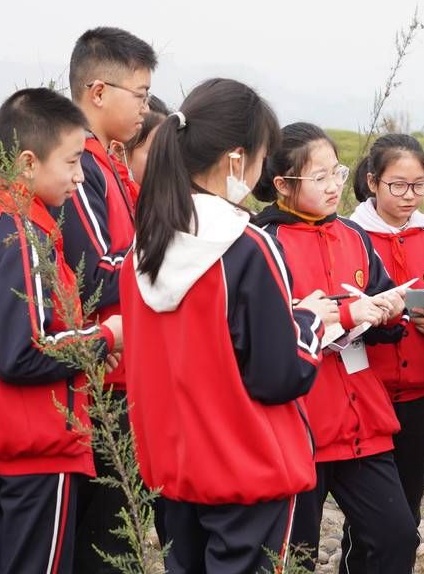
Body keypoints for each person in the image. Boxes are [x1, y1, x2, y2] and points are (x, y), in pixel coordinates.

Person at [121, 78, 326, 573]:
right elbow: (280, 375)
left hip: (174, 469)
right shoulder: (246, 245)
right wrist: (312, 321)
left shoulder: (143, 247)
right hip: (244, 468)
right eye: (261, 158)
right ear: (237, 159)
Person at [0, 87, 122, 574]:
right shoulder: (22, 234)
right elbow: (24, 350)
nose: (79, 174)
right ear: (28, 162)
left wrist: (85, 343)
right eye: (70, 162)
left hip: (8, 442)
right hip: (38, 446)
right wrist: (106, 337)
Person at [253, 122, 419, 573]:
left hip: (361, 419)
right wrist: (345, 315)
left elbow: (380, 310)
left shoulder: (353, 236)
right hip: (299, 421)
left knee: (397, 537)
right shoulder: (261, 243)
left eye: (337, 173)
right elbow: (258, 334)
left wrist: (389, 311)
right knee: (296, 554)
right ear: (283, 184)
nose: (333, 187)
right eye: (319, 177)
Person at [340, 133, 424, 573]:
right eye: (398, 185)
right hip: (362, 399)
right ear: (372, 182)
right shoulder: (350, 238)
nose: (409, 196)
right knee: (368, 521)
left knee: (405, 515)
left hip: (419, 402)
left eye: (419, 185)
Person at [63, 26, 159, 568]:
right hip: (103, 374)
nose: (145, 108)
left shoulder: (107, 161)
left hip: (118, 367)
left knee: (114, 525)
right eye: (140, 95)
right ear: (98, 92)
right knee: (106, 533)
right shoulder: (81, 163)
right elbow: (93, 272)